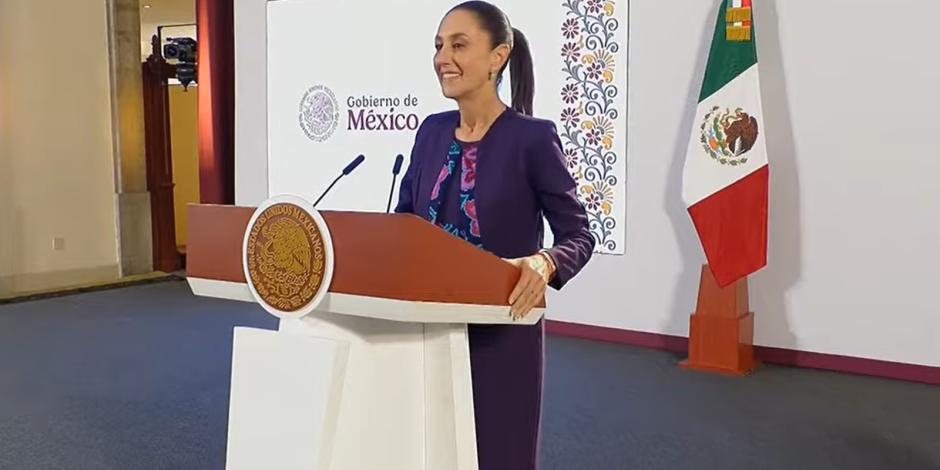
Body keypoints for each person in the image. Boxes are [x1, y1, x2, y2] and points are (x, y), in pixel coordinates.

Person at [395, 1, 594, 468]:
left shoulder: (533, 137)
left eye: (459, 45)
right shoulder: (430, 132)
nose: (443, 57)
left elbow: (578, 234)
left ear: (498, 57)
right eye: (439, 45)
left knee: (498, 454)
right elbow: (404, 221)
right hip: (426, 329)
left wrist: (545, 262)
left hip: (501, 336)